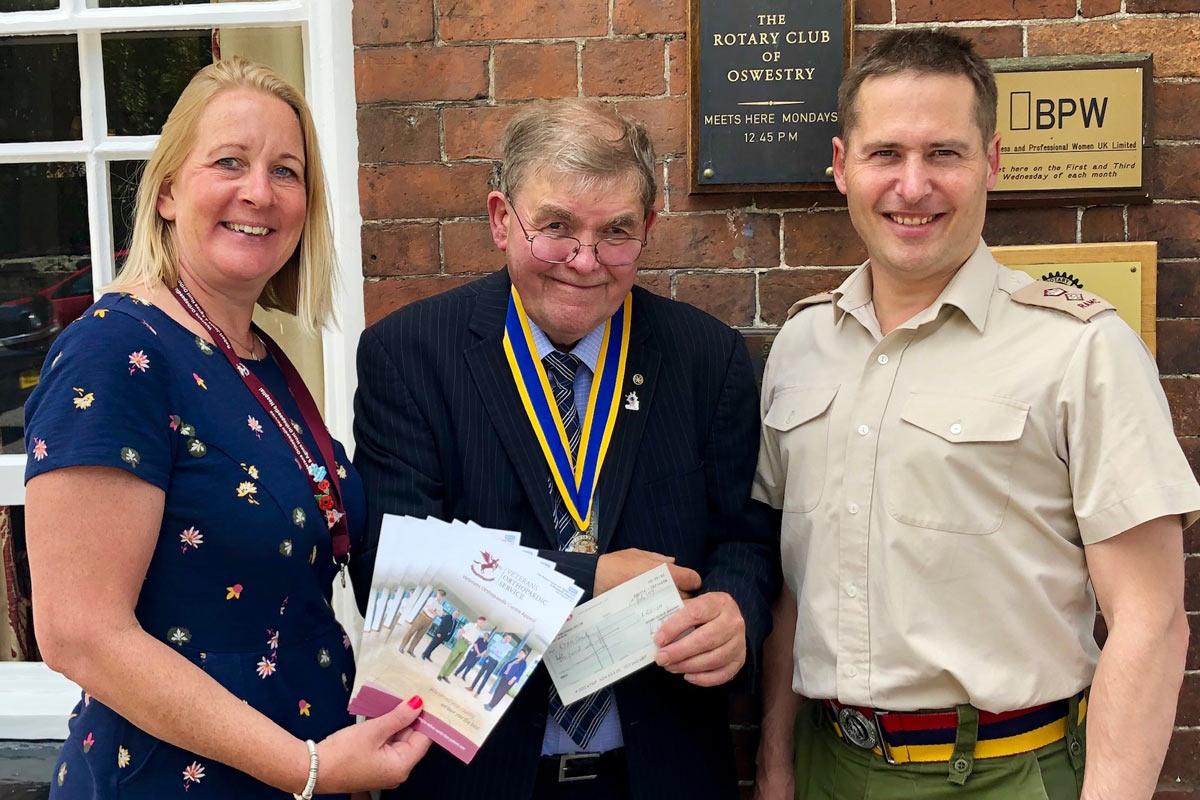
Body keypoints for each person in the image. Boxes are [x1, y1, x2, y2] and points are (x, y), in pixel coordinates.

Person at [752, 29, 1200, 800]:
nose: (913, 185)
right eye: (886, 153)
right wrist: (777, 768)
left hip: (1005, 773)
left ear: (992, 162)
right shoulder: (801, 346)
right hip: (830, 767)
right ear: (841, 166)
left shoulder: (1081, 350)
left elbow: (1151, 619)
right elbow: (793, 586)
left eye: (945, 154)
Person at [23, 58, 430, 799]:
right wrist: (306, 769)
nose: (259, 193)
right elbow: (80, 634)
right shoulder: (117, 351)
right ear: (170, 189)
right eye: (230, 162)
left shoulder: (258, 358)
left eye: (286, 171)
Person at [351, 98, 779, 799]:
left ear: (647, 227)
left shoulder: (708, 359)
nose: (585, 261)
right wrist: (585, 578)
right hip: (475, 776)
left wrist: (735, 609)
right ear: (500, 219)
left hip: (660, 770)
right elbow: (391, 574)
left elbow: (745, 539)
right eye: (556, 227)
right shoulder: (410, 355)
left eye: (615, 233)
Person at [438, 615, 487, 682]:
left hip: (467, 646)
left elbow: (473, 640)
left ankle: (446, 675)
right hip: (462, 641)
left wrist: (469, 643)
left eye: (483, 623)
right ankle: (441, 674)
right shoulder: (470, 625)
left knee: (456, 661)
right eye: (481, 621)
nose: (482, 623)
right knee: (451, 658)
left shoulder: (479, 631)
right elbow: (461, 631)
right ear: (478, 620)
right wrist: (459, 639)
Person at [398, 588, 445, 656]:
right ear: (437, 593)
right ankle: (402, 646)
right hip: (422, 617)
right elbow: (429, 608)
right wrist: (435, 611)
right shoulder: (431, 599)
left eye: (441, 596)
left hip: (429, 621)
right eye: (439, 594)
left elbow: (440, 614)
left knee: (419, 636)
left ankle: (411, 650)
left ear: (443, 597)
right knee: (411, 631)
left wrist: (434, 611)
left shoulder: (440, 606)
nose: (439, 596)